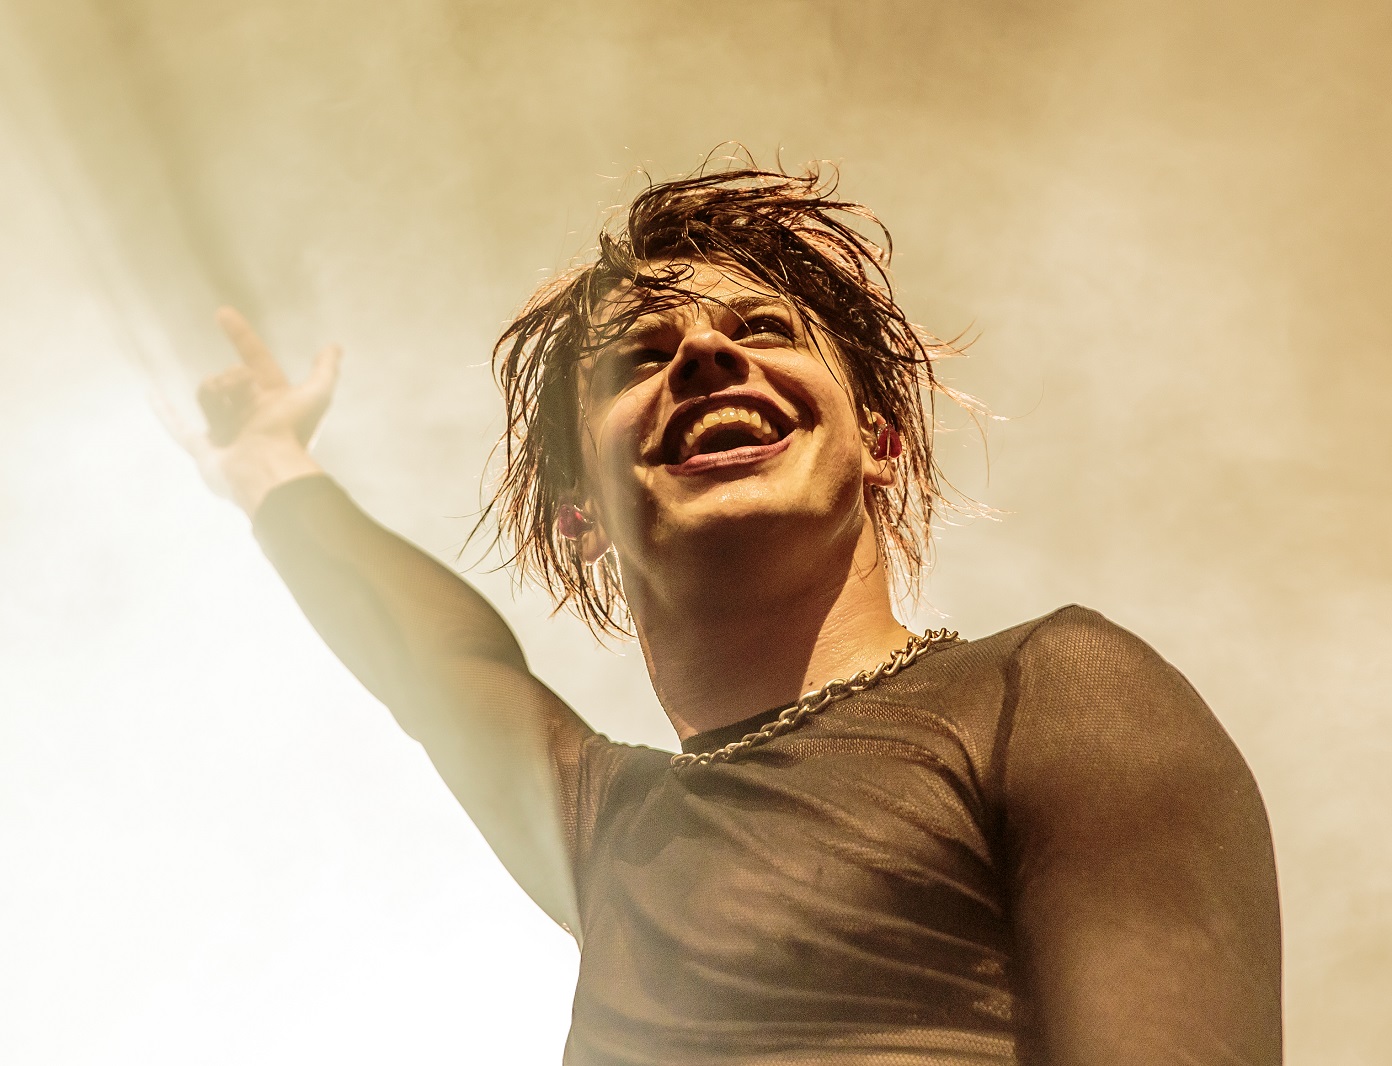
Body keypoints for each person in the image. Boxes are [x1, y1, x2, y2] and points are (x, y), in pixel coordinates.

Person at [177, 162, 1282, 1064]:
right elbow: (433, 660)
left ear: (881, 445)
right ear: (581, 516)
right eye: (640, 360)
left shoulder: (1055, 689)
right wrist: (268, 463)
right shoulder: (613, 834)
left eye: (763, 329)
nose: (707, 354)